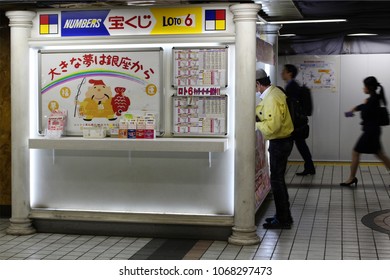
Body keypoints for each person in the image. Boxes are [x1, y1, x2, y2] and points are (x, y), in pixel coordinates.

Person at [255, 69, 294, 229]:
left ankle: (283, 219)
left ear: (258, 83)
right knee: (278, 181)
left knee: (277, 182)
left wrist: (254, 123)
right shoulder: (275, 92)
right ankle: (283, 216)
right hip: (283, 141)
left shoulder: (271, 98)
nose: (255, 90)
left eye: (255, 86)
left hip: (280, 142)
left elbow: (273, 127)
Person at [341, 76, 390, 187]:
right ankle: (351, 178)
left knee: (356, 152)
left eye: (364, 86)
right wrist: (357, 108)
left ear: (369, 87)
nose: (363, 89)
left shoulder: (373, 99)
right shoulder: (374, 98)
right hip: (373, 131)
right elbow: (365, 107)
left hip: (370, 132)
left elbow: (366, 114)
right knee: (380, 155)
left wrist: (362, 106)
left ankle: (351, 178)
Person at [281, 64, 316, 176]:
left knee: (289, 146)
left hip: (295, 123)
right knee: (301, 145)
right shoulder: (292, 85)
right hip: (298, 122)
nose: (282, 73)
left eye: (284, 71)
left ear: (289, 73)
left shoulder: (292, 87)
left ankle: (280, 170)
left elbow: (292, 106)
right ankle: (310, 167)